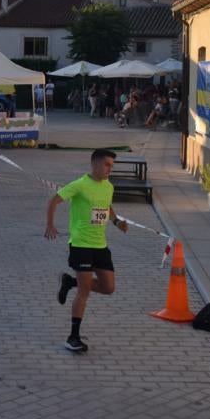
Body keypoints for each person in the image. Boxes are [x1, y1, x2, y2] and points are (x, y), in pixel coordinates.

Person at [46, 149, 128, 353]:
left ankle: (70, 281)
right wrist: (50, 224)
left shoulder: (108, 186)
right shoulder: (80, 184)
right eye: (107, 164)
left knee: (109, 288)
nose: (110, 169)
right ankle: (73, 337)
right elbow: (54, 200)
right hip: (81, 244)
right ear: (95, 164)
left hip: (100, 246)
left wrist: (117, 221)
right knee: (85, 291)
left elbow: (107, 206)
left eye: (112, 165)